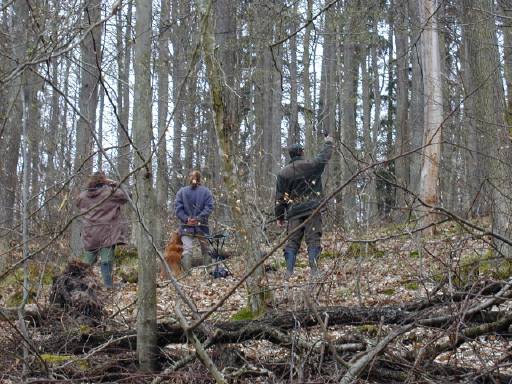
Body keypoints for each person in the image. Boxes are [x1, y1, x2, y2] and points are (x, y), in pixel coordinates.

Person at [275, 135, 334, 279]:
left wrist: (279, 216)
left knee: (292, 243)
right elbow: (324, 156)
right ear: (301, 152)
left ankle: (288, 273)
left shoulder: (283, 173)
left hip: (294, 213)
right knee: (313, 240)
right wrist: (328, 142)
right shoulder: (311, 165)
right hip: (312, 210)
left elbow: (280, 198)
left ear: (290, 155)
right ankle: (314, 272)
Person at [76, 171, 129, 288]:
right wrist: (114, 183)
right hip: (107, 234)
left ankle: (79, 284)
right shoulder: (110, 193)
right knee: (106, 261)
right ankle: (108, 286)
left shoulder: (83, 196)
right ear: (104, 181)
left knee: (86, 264)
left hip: (90, 234)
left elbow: (78, 203)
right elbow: (127, 195)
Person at [175, 170, 214, 270]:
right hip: (193, 226)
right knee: (202, 249)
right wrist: (188, 219)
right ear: (199, 179)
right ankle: (205, 272)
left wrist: (195, 219)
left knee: (191, 250)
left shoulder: (204, 192)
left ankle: (192, 275)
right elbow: (178, 209)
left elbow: (209, 207)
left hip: (198, 226)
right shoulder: (204, 191)